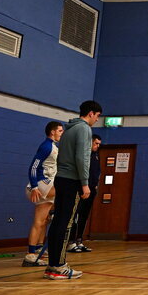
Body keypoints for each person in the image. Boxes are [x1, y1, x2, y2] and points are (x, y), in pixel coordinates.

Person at [43, 100, 102, 280]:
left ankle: (52, 264)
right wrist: (85, 183)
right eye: (97, 116)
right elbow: (82, 158)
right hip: (72, 181)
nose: (96, 121)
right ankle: (59, 266)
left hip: (61, 179)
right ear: (91, 113)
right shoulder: (84, 129)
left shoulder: (69, 129)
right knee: (66, 223)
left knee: (58, 222)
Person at [23, 121, 63, 267]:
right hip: (41, 184)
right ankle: (30, 254)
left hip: (46, 186)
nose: (61, 133)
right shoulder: (46, 146)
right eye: (60, 130)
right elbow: (33, 167)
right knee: (66, 191)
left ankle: (36, 249)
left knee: (41, 221)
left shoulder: (54, 147)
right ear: (52, 132)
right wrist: (34, 186)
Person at [69, 134, 102, 253]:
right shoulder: (83, 155)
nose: (97, 146)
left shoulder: (96, 155)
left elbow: (97, 171)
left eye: (99, 144)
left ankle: (79, 241)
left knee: (84, 216)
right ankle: (71, 242)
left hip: (92, 189)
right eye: (95, 143)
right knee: (76, 215)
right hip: (82, 189)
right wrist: (84, 186)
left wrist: (96, 184)